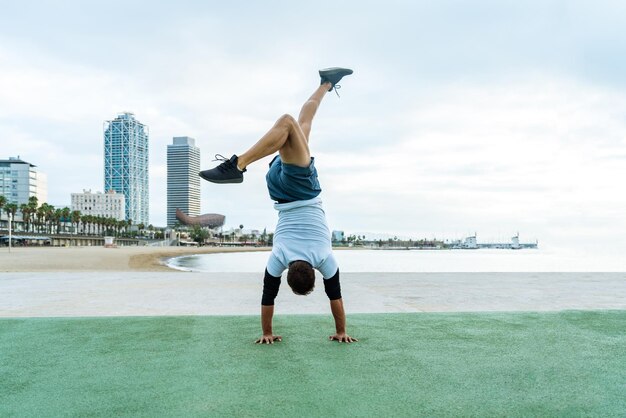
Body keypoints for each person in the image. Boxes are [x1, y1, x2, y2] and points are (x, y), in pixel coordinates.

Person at [199, 67, 358, 344]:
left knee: (289, 122)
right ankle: (326, 84)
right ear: (289, 273)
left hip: (302, 188)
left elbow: (336, 296)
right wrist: (267, 333)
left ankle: (237, 165)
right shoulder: (279, 258)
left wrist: (343, 329)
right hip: (278, 189)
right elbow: (267, 296)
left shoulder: (324, 257)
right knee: (302, 124)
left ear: (314, 273)